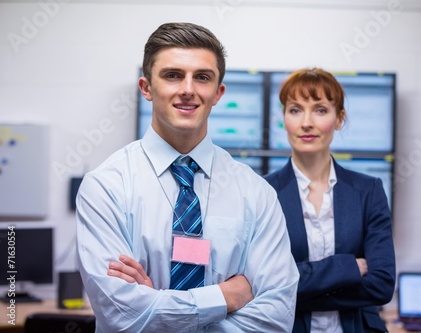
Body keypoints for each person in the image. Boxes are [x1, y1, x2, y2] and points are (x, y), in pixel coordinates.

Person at [75, 22, 299, 332]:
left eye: (202, 77)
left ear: (218, 93)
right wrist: (225, 297)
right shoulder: (106, 187)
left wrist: (156, 305)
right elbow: (120, 317)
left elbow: (275, 319)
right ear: (146, 88)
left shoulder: (256, 192)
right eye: (172, 75)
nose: (188, 89)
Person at [264, 68, 396, 333]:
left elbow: (381, 284)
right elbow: (265, 284)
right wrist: (348, 267)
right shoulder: (264, 192)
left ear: (339, 118)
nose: (307, 123)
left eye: (321, 110)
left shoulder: (368, 191)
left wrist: (297, 290)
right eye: (295, 110)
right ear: (284, 118)